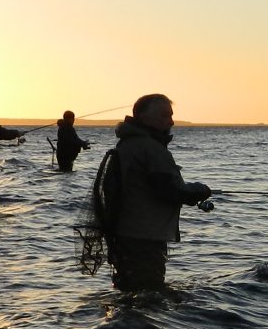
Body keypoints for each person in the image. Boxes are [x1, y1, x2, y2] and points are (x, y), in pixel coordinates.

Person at [91, 93, 214, 290]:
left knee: (129, 292)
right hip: (144, 238)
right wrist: (200, 191)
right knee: (148, 295)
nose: (171, 121)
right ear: (144, 118)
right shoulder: (150, 148)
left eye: (171, 115)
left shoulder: (127, 144)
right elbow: (168, 190)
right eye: (165, 116)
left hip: (124, 234)